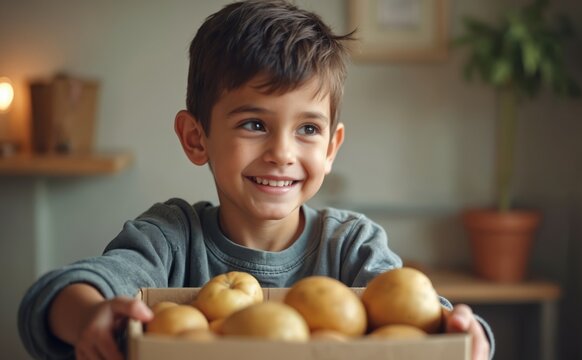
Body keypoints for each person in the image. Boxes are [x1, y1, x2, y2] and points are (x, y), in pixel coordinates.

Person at [18, 1, 494, 359]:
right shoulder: (169, 239)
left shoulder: (352, 245)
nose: (282, 153)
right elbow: (60, 294)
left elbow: (422, 312)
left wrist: (466, 333)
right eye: (254, 124)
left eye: (308, 129)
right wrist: (88, 316)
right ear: (195, 138)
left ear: (331, 148)